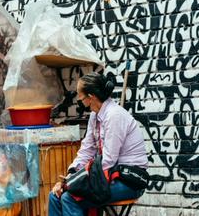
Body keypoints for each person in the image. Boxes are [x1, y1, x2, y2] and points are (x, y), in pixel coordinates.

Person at [48, 72, 148, 216]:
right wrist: (72, 173)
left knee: (70, 198)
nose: (79, 100)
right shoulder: (95, 116)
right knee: (55, 196)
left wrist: (71, 184)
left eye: (80, 97)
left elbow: (108, 161)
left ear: (91, 97)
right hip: (106, 177)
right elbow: (86, 150)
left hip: (128, 181)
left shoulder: (114, 116)